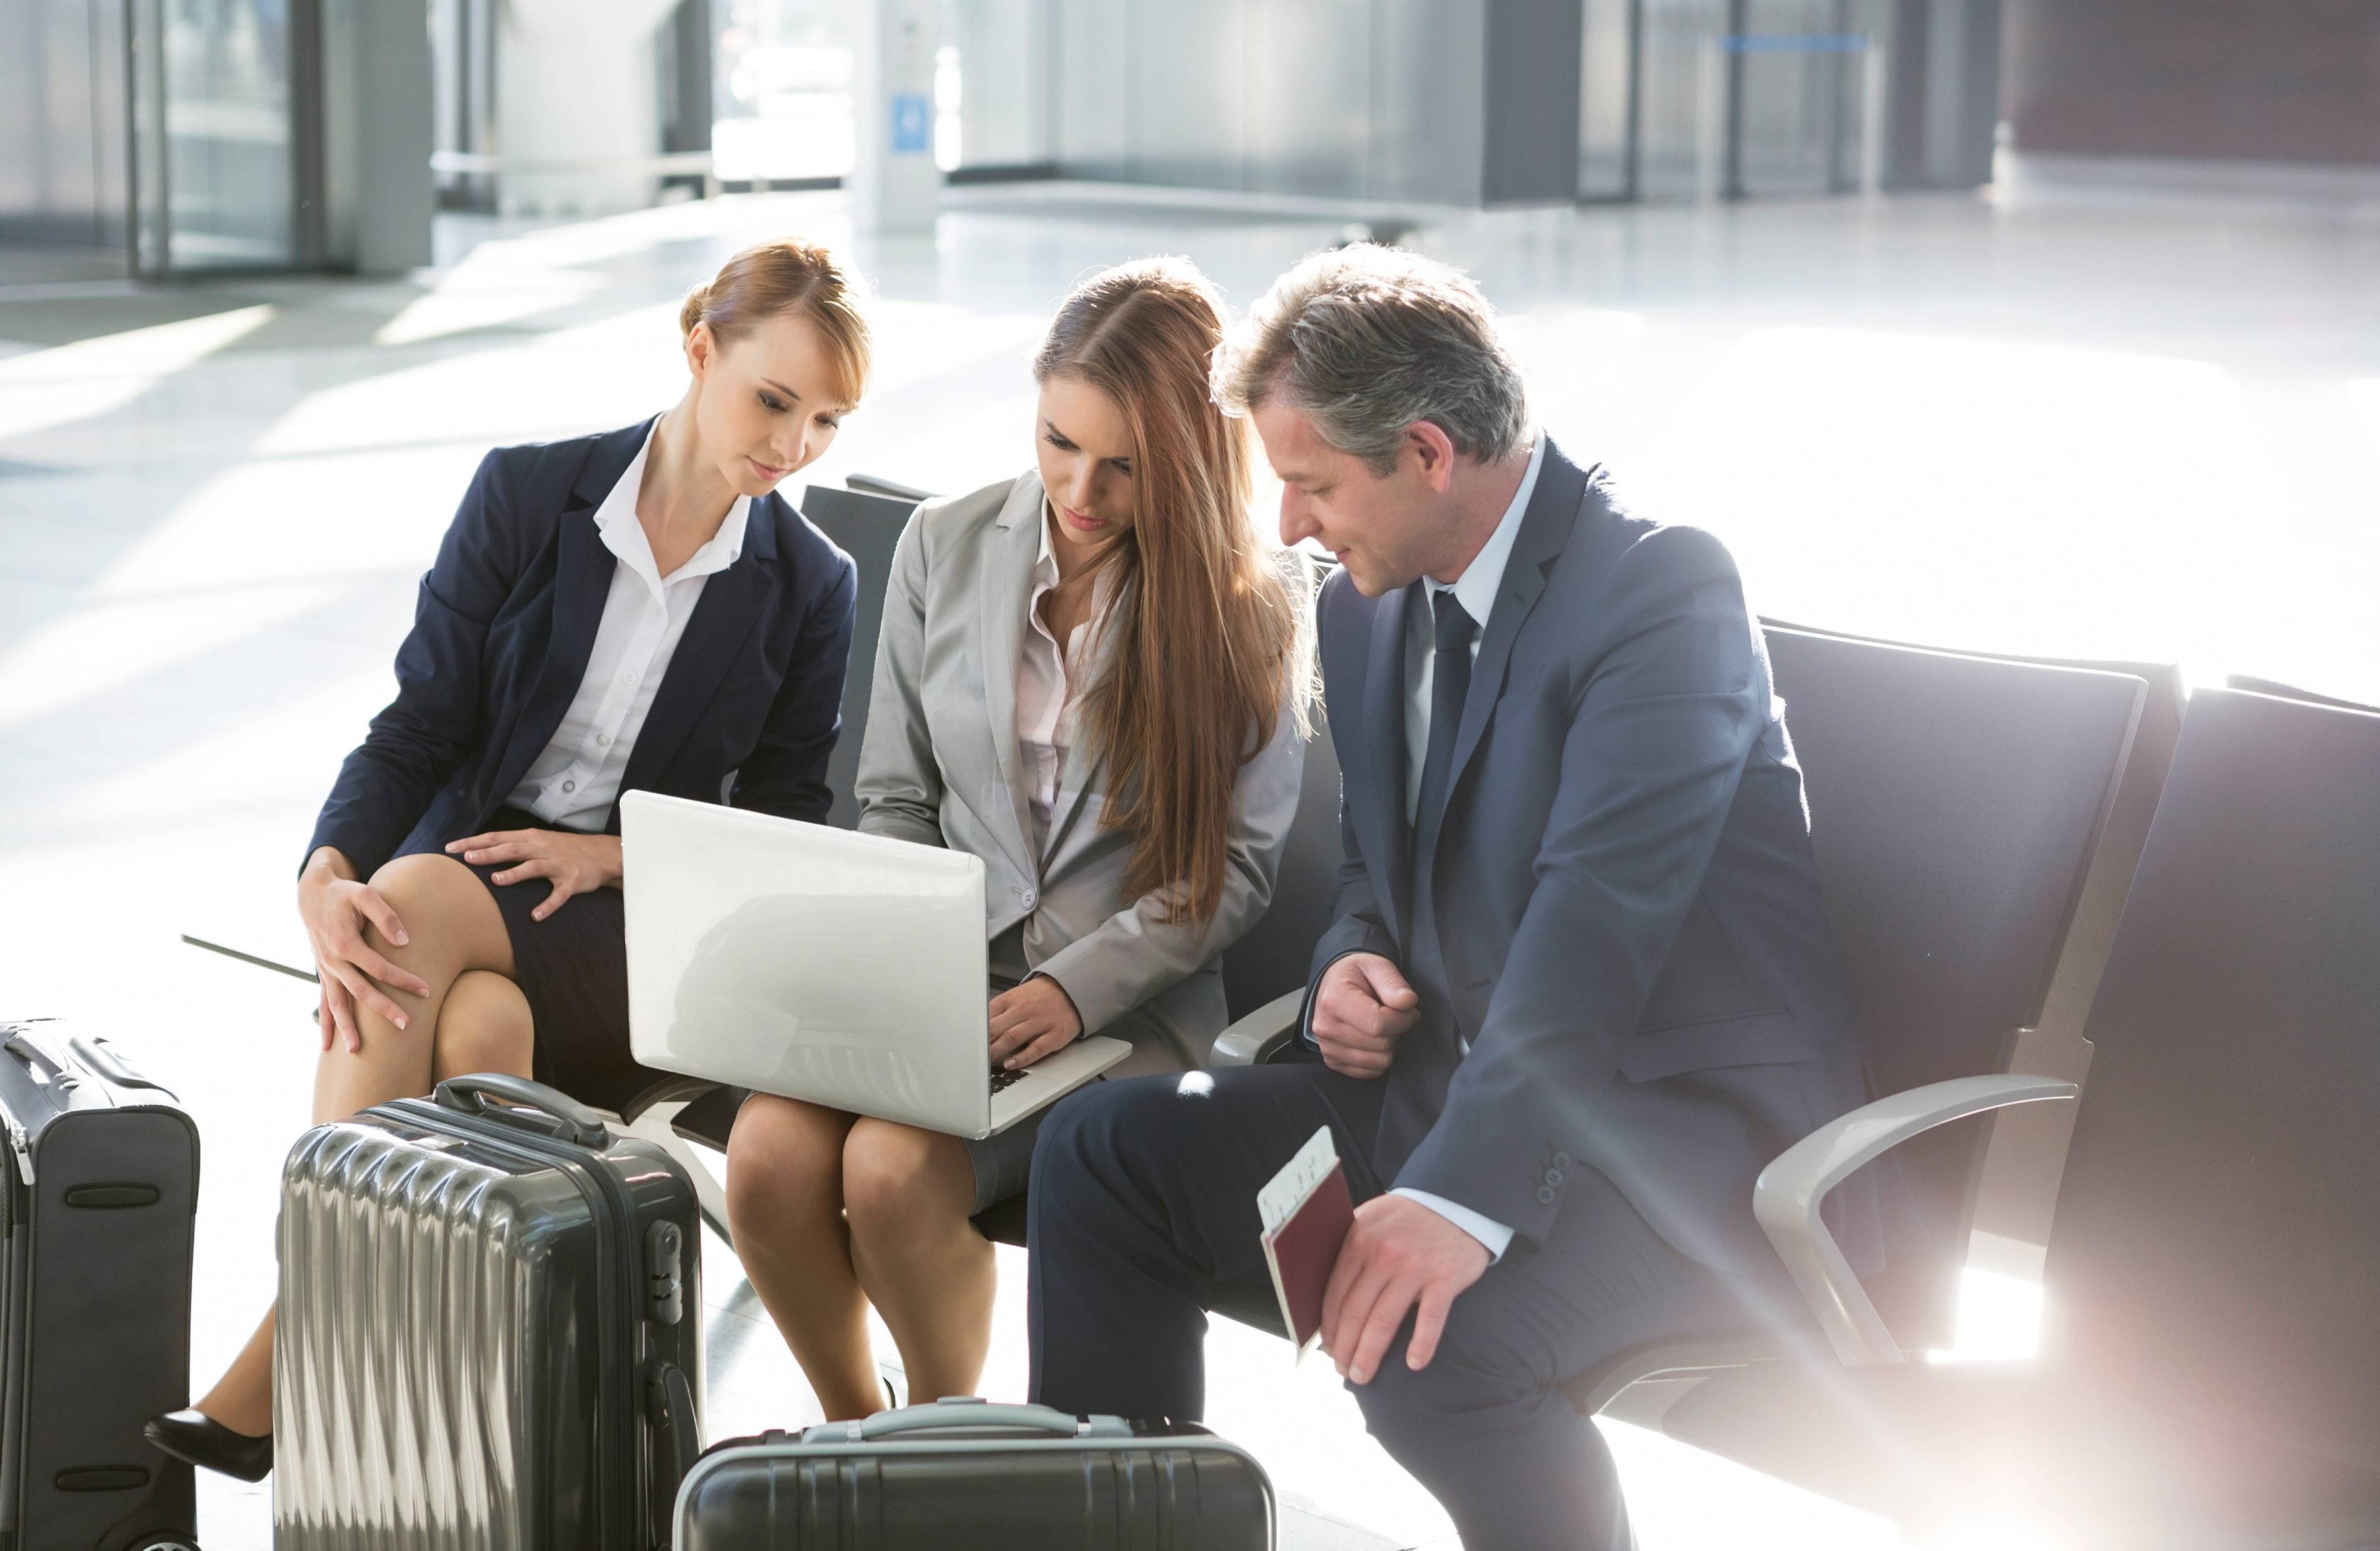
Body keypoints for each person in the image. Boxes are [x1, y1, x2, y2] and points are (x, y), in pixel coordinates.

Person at [1024, 245, 1881, 1551]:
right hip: (1449, 1089)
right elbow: (1376, 861)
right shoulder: (1370, 609)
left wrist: (1455, 1200)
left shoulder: (1660, 592)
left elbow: (1599, 923)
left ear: (1428, 453)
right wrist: (1352, 965)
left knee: (1428, 1344)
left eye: (1311, 485)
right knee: (1100, 1157)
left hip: (1674, 1146)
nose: (1291, 528)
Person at [145, 238, 871, 1482]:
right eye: (774, 401)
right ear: (699, 353)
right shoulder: (529, 497)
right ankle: (458, 1445)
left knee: (415, 898)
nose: (793, 447)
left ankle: (303, 1336)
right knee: (475, 1031)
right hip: (473, 938)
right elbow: (420, 722)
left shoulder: (809, 584)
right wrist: (323, 871)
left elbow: (786, 827)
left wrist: (606, 857)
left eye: (826, 421)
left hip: (644, 940)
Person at [722, 258, 1313, 1421]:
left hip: (1118, 1015)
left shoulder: (1250, 606)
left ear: (1189, 457)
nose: (1079, 491)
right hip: (935, 979)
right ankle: (867, 1432)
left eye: (1123, 465)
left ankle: (945, 1440)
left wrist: (1076, 990)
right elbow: (893, 798)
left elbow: (1227, 875)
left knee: (890, 1172)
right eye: (1058, 442)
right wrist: (903, 964)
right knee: (768, 1162)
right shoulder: (944, 545)